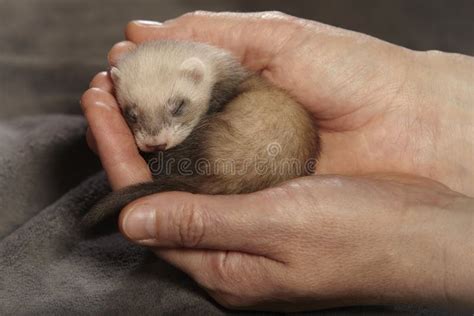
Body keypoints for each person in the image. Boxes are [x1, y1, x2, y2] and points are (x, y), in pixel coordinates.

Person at [80, 12, 474, 311]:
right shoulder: (214, 85)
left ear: (198, 77)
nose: (154, 137)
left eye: (177, 110)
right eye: (134, 117)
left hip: (227, 160)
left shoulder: (223, 83)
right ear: (118, 84)